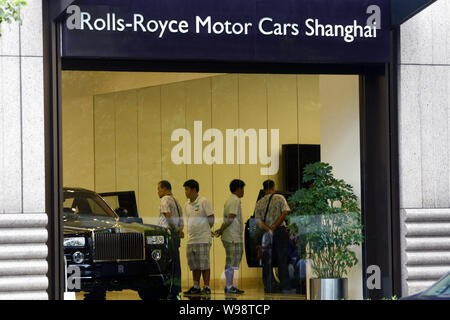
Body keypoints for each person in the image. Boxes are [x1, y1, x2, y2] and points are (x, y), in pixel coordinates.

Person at [254, 179, 291, 293]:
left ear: (264, 189)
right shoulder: (280, 198)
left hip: (266, 233)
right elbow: (285, 212)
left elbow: (258, 221)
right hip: (279, 231)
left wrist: (269, 229)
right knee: (282, 258)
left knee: (267, 260)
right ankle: (284, 285)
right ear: (273, 188)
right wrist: (275, 226)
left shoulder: (259, 202)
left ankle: (268, 286)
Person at [182, 179, 215, 295]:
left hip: (203, 239)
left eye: (187, 189)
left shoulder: (203, 201)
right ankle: (196, 286)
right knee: (194, 265)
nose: (185, 192)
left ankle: (206, 287)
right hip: (191, 239)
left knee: (204, 264)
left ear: (194, 190)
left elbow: (211, 218)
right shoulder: (186, 204)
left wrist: (204, 229)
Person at [214, 179, 246, 294]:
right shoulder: (235, 200)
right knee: (233, 263)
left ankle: (229, 285)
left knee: (230, 262)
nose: (243, 191)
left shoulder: (230, 200)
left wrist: (221, 230)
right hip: (233, 238)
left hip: (230, 236)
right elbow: (231, 217)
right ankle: (230, 286)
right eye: (243, 189)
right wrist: (222, 228)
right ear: (238, 189)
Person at [157, 180, 184, 300]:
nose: (158, 192)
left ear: (164, 189)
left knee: (166, 264)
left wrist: (173, 229)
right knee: (176, 263)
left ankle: (168, 290)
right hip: (176, 235)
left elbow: (168, 216)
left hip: (167, 234)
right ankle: (177, 288)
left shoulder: (165, 200)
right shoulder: (176, 201)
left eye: (159, 189)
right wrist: (178, 230)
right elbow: (181, 221)